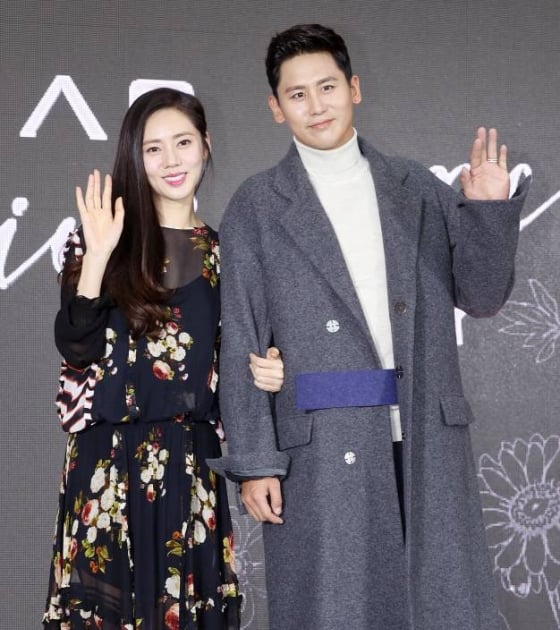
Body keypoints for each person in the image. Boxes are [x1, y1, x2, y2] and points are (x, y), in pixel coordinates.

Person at [208, 24, 530, 630]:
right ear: (276, 108)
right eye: (297, 94)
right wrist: (254, 461)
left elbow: (483, 298)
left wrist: (488, 211)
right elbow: (241, 338)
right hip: (321, 447)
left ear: (354, 88)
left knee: (438, 608)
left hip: (425, 435)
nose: (316, 104)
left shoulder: (415, 188)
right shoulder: (258, 205)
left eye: (327, 86)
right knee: (338, 610)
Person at [43, 88, 284, 629]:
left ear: (206, 145)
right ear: (135, 156)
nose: (171, 160)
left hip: (189, 467)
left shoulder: (227, 256)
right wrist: (98, 256)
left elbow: (238, 368)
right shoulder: (98, 241)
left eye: (183, 142)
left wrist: (272, 370)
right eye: (153, 148)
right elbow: (76, 346)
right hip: (105, 468)